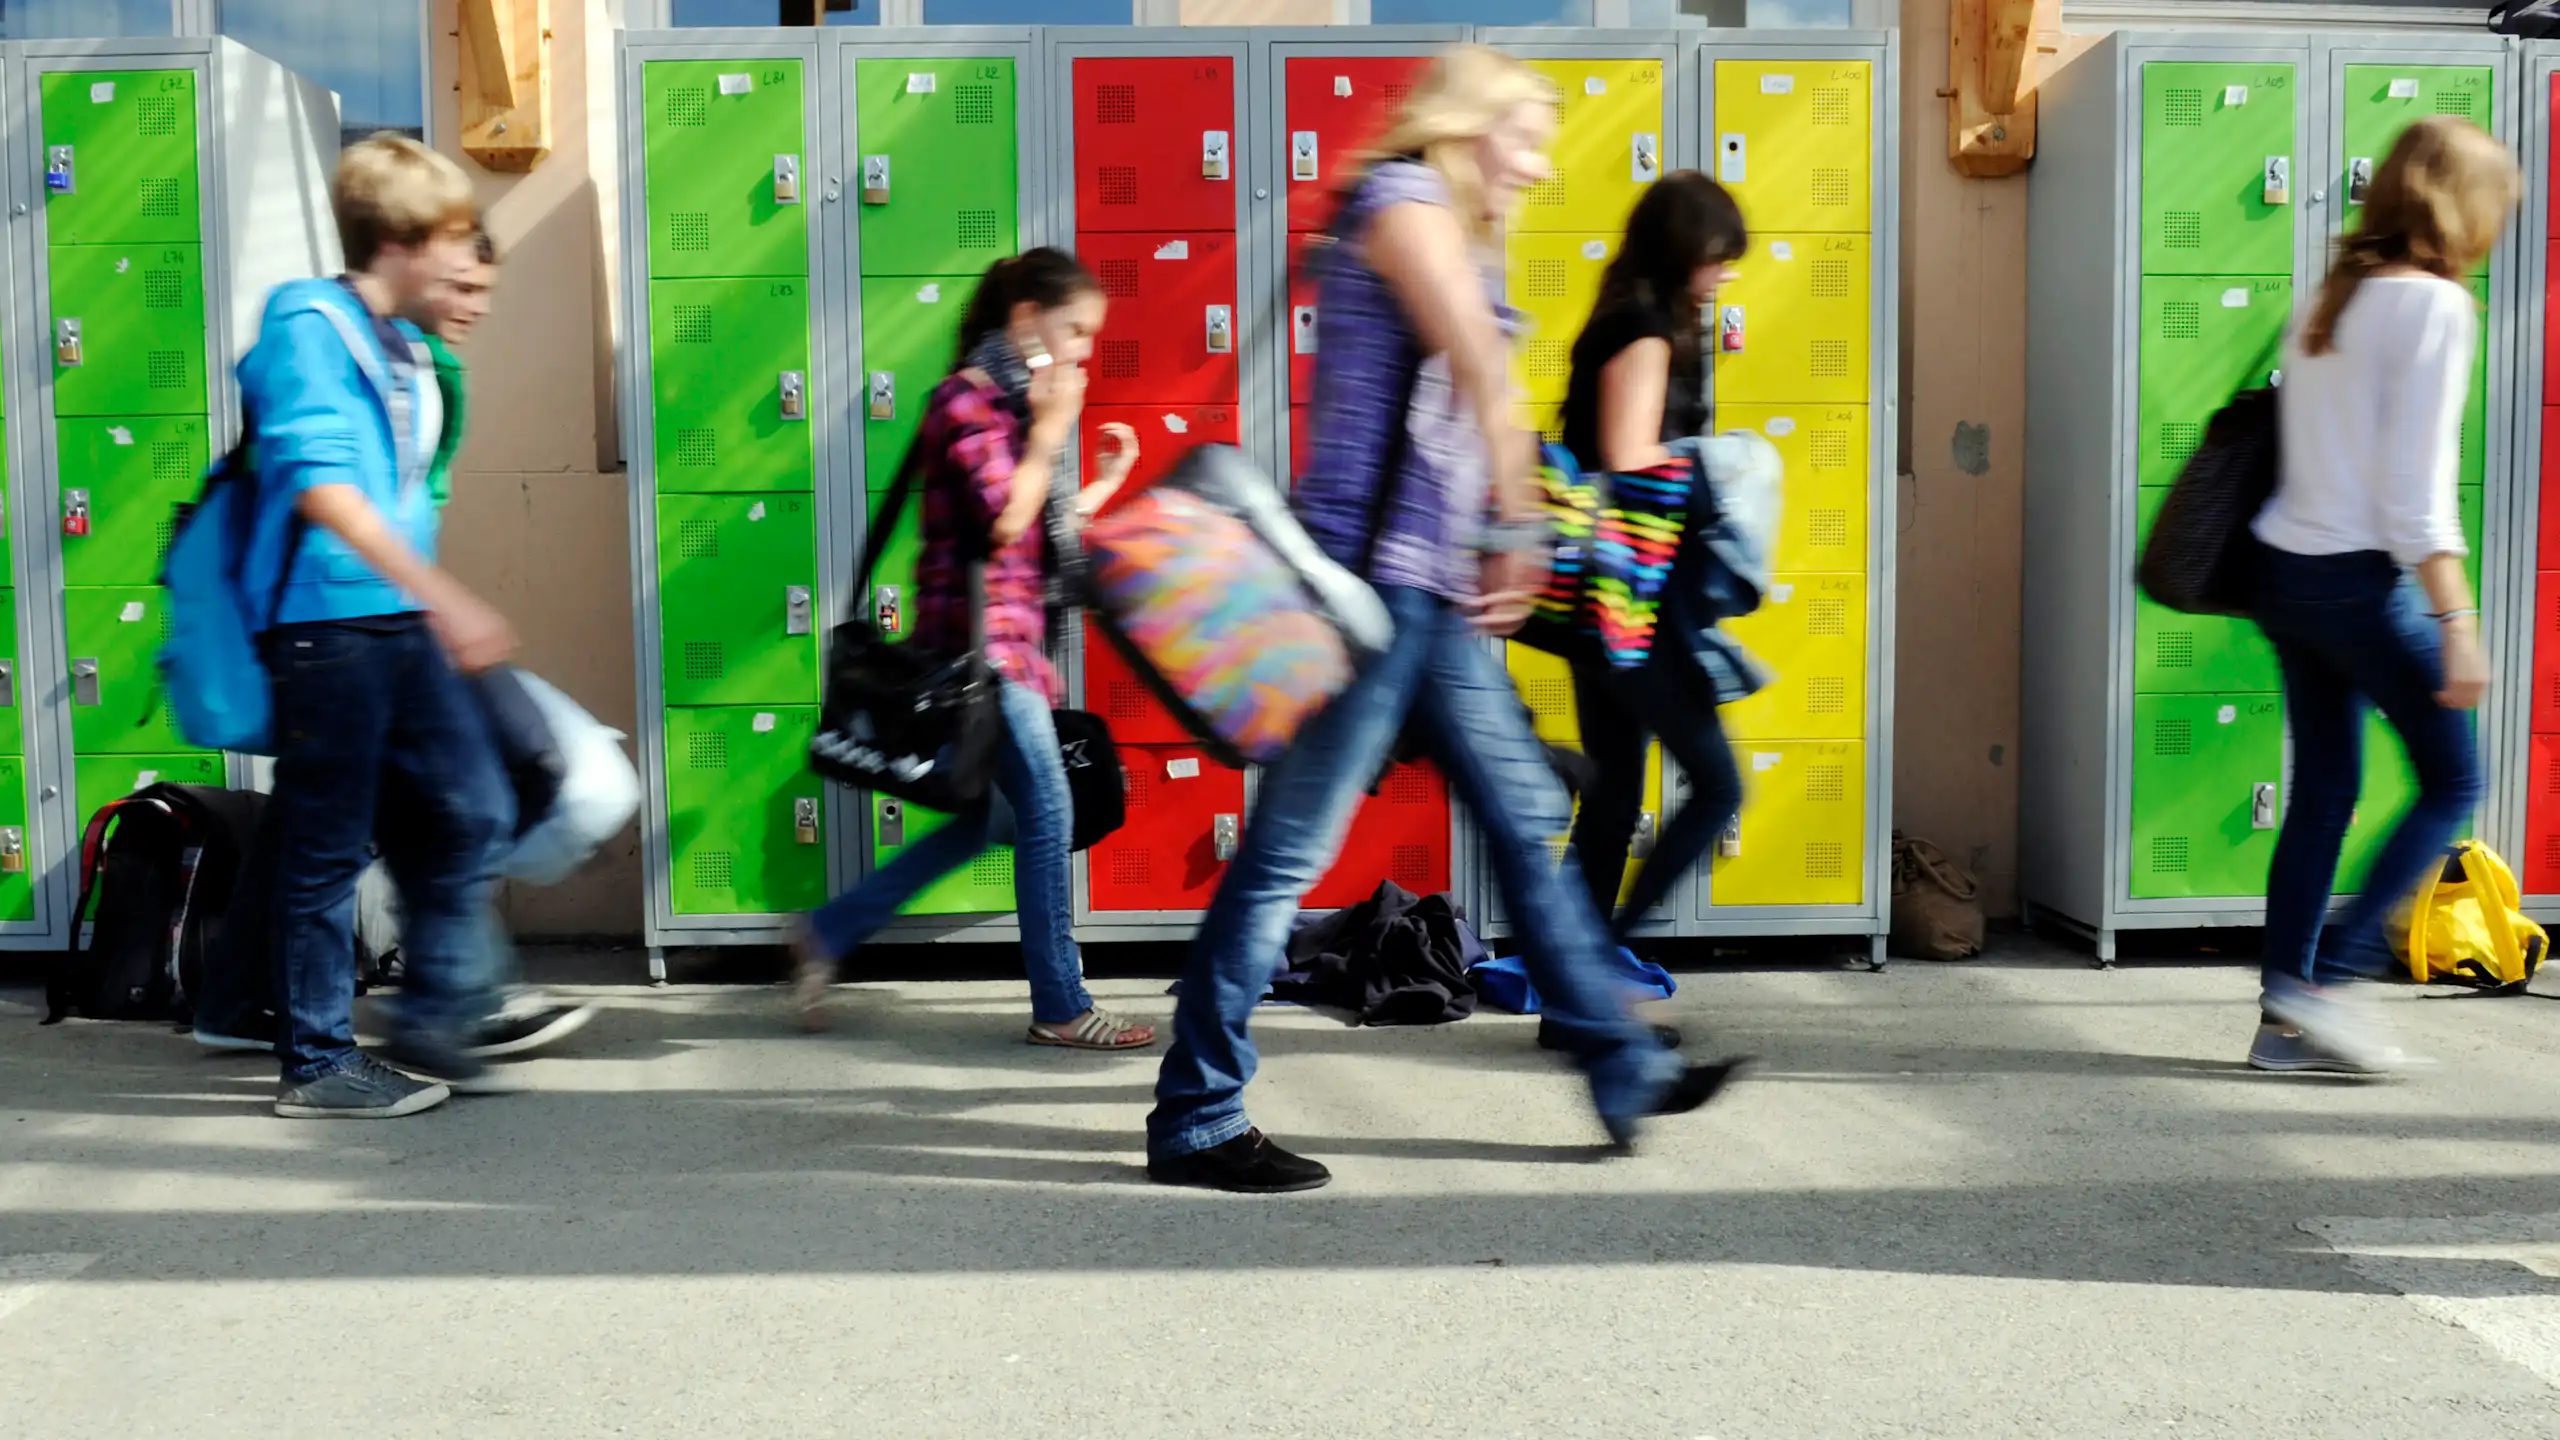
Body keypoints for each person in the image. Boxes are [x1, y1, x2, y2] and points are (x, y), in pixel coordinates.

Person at [1146, 46, 1740, 1195]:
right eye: (1522, 133)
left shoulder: (1451, 223)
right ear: (1466, 128)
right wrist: (1521, 522)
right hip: (1371, 598)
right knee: (1282, 860)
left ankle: (1618, 1068)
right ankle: (1196, 1114)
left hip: (1430, 597)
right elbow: (1476, 363)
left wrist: (1493, 534)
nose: (1535, 160)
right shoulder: (1403, 199)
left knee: (1526, 825)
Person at [789, 248, 1156, 1053]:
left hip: (1017, 649)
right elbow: (1001, 519)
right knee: (1049, 811)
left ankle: (826, 931)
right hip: (980, 657)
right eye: (1076, 331)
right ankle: (1062, 1006)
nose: (1084, 353)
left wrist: (1099, 481)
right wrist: (1055, 435)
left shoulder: (1021, 410)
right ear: (1025, 317)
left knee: (988, 820)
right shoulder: (965, 401)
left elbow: (1039, 536)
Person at [243, 134, 521, 1119]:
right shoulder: (306, 325)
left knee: (473, 805)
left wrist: (429, 603)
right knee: (324, 848)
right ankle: (316, 1064)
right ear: (399, 239)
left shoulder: (403, 343)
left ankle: (437, 1006)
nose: (464, 260)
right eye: (450, 238)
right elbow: (325, 492)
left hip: (395, 623)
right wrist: (446, 596)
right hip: (328, 630)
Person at [2246, 115, 2515, 1074]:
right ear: (2464, 209)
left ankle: (2282, 1023)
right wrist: (2459, 623)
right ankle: (2327, 992)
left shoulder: (2334, 295)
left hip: (2285, 570)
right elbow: (2415, 493)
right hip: (2359, 582)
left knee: (2324, 792)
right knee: (2454, 781)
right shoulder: (2436, 309)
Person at [1554, 172, 1750, 941]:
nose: (1726, 272)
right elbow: (1628, 459)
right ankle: (1598, 976)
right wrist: (1725, 469)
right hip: (1634, 597)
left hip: (1602, 597)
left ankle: (1576, 996)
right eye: (1717, 256)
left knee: (1610, 800)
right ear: (1681, 253)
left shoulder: (1625, 316)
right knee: (1717, 786)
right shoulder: (1643, 332)